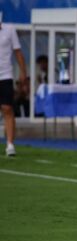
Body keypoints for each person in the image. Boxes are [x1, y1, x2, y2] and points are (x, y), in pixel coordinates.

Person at [0, 21, 27, 156]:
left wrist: (23, 72)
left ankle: (10, 144)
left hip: (5, 75)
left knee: (7, 108)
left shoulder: (9, 29)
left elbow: (17, 52)